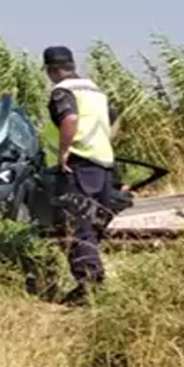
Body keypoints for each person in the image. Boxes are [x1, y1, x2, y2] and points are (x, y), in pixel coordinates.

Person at [44, 45, 119, 306]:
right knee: (94, 224)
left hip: (77, 165)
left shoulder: (62, 92)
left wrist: (64, 152)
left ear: (51, 70)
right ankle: (92, 282)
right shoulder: (95, 90)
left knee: (78, 226)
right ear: (72, 65)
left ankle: (89, 288)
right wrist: (103, 142)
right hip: (102, 163)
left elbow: (70, 118)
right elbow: (114, 120)